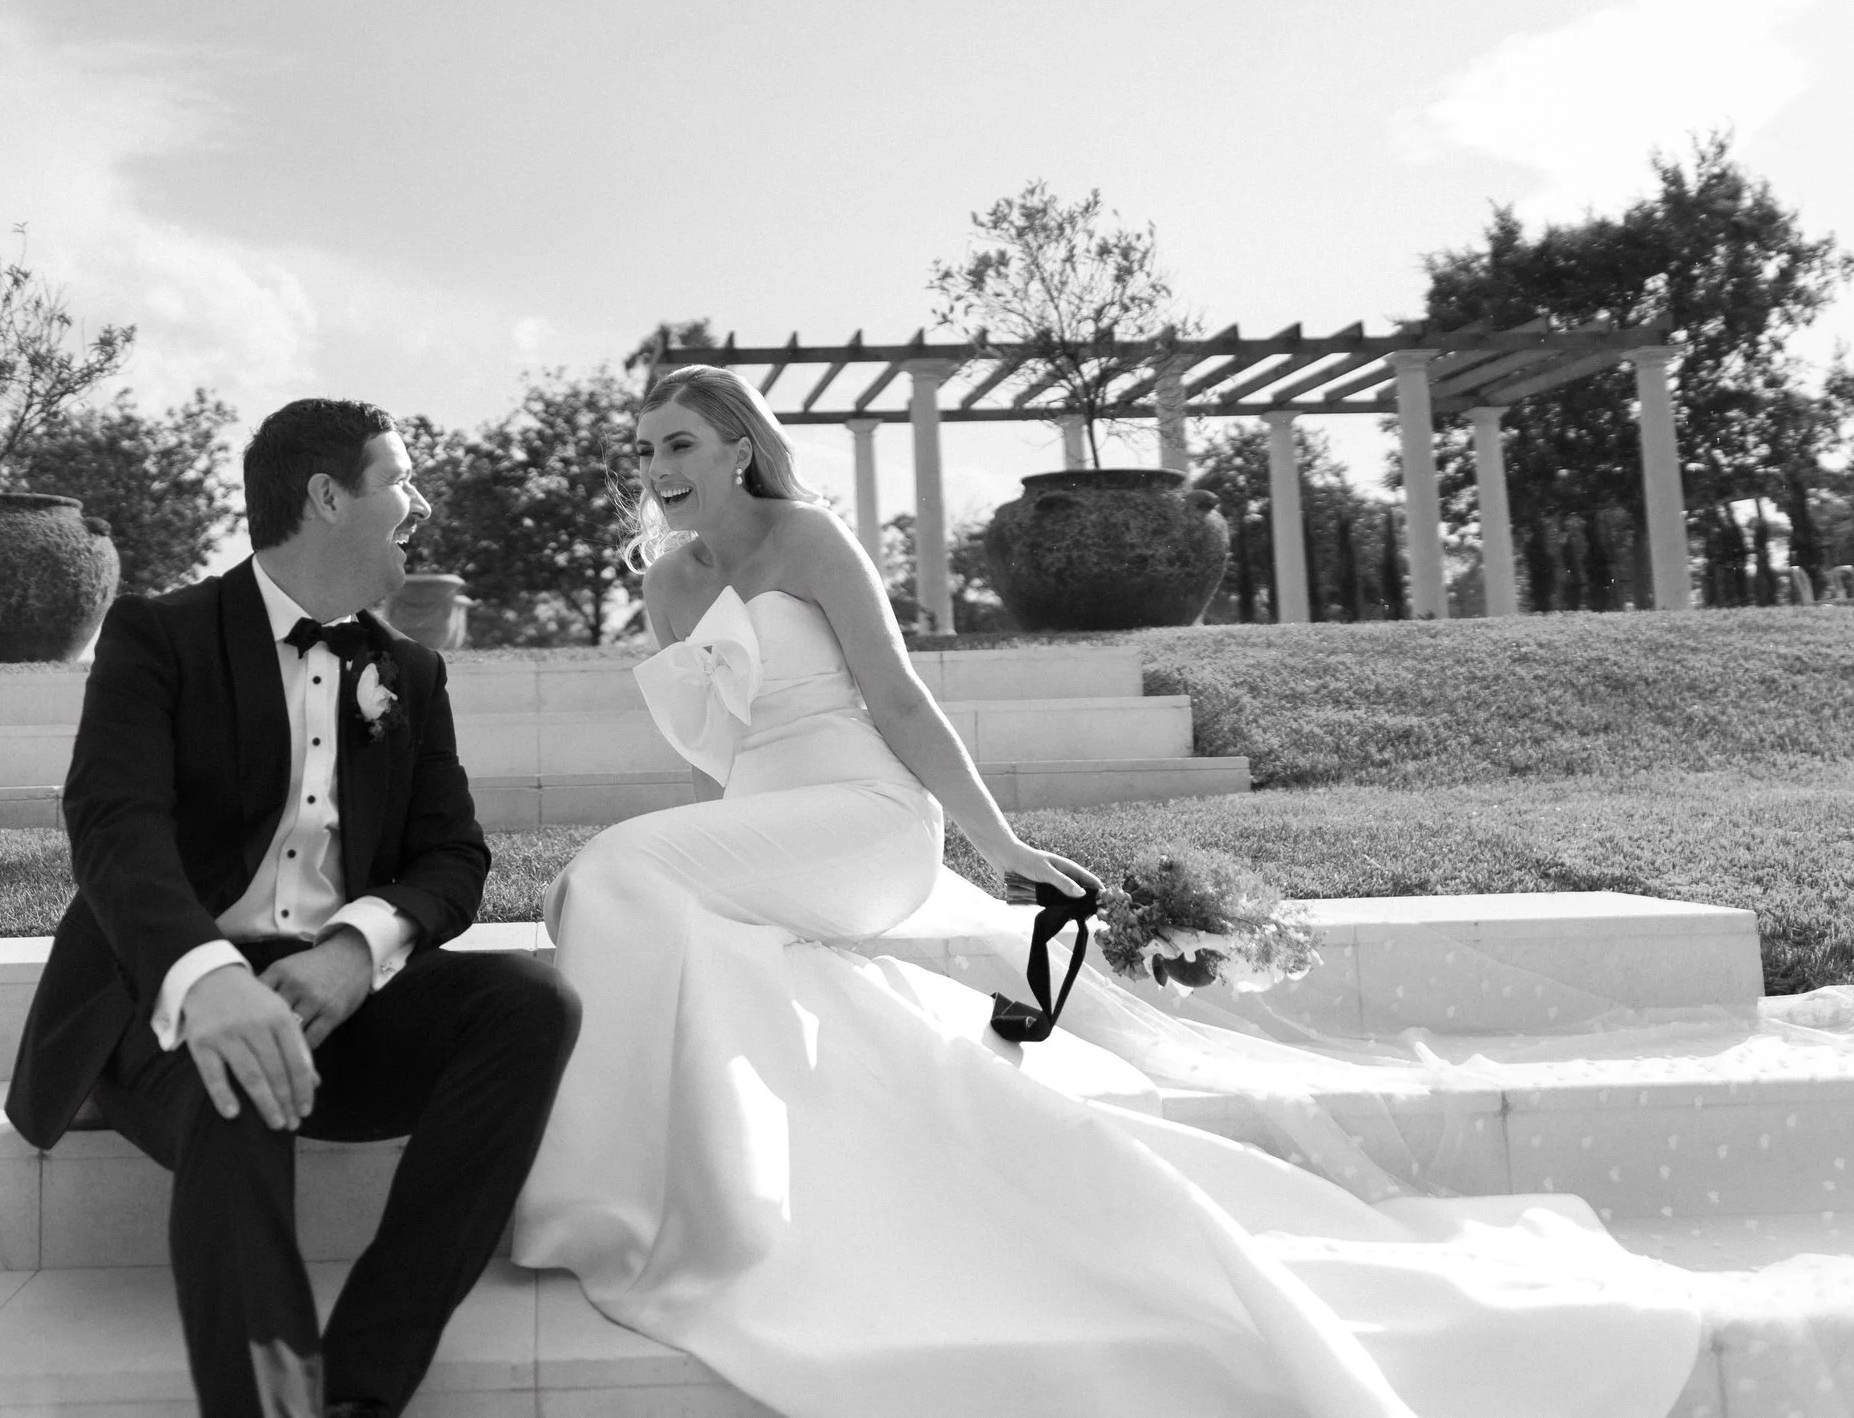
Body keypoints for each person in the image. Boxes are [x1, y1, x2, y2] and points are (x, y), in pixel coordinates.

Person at [511, 365, 1703, 1418]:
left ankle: (595, 1202)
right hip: (769, 818)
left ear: (734, 445)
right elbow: (722, 763)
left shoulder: (811, 540)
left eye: (680, 442)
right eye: (646, 447)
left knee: (610, 869)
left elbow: (902, 703)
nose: (660, 467)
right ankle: (705, 1194)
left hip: (868, 820)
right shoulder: (669, 588)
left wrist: (1000, 845)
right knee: (624, 899)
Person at [6, 397, 580, 1418]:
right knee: (237, 1082)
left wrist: (360, 945)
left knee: (532, 1003)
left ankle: (358, 1391)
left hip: (330, 1001)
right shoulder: (160, 635)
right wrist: (212, 977)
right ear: (325, 495)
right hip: (160, 1001)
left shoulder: (410, 670)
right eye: (400, 480)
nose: (420, 502)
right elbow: (113, 824)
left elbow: (453, 855)